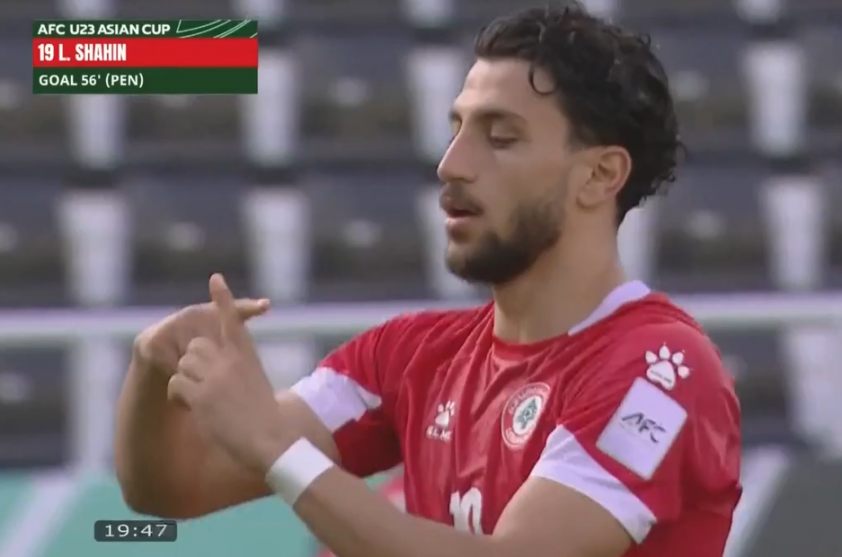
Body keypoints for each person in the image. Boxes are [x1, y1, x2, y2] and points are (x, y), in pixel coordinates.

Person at [114, 4, 742, 557]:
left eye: (500, 138)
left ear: (600, 176)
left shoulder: (662, 371)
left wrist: (277, 448)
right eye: (456, 130)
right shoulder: (411, 355)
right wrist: (151, 371)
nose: (451, 164)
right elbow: (176, 486)